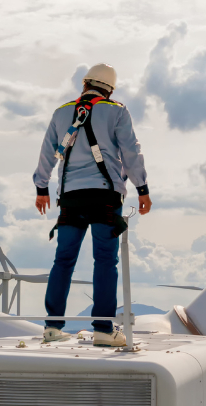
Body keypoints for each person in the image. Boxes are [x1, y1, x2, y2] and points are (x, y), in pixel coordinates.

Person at [33, 63, 151, 346]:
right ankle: (103, 328)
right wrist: (142, 188)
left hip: (70, 198)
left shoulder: (61, 112)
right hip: (105, 197)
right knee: (105, 261)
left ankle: (52, 326)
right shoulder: (117, 110)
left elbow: (48, 152)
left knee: (63, 261)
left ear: (84, 85)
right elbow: (130, 152)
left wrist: (41, 188)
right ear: (109, 89)